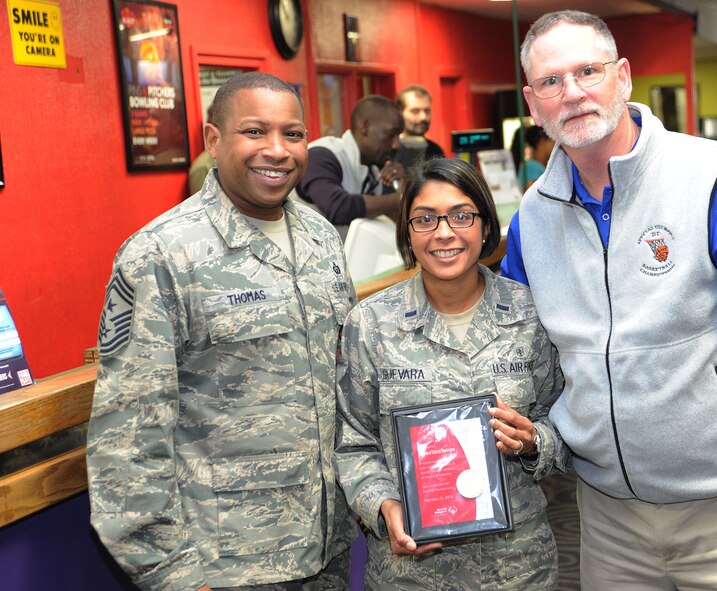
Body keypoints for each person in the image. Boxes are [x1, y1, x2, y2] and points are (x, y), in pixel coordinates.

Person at [502, 10, 717, 589]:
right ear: (532, 103)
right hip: (607, 520)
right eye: (551, 82)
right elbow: (514, 349)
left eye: (588, 71)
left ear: (623, 77)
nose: (572, 93)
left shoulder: (715, 181)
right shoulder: (532, 217)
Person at [87, 72, 358, 591]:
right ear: (214, 141)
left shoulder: (321, 236)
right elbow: (128, 435)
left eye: (293, 134)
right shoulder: (161, 254)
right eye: (254, 132)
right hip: (226, 564)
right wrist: (172, 574)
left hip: (327, 549)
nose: (277, 151)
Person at [335, 157, 566, 590]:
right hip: (411, 575)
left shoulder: (531, 313)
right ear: (407, 231)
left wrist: (535, 441)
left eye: (461, 216)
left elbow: (569, 422)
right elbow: (352, 444)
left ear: (484, 226)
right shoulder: (370, 324)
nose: (444, 233)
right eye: (425, 219)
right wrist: (383, 507)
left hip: (517, 568)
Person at [296, 95, 405, 238]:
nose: (396, 145)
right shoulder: (321, 156)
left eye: (398, 136)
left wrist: (401, 186)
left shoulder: (372, 168)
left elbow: (392, 224)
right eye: (391, 134)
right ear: (365, 127)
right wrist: (402, 198)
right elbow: (339, 208)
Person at [393, 85, 446, 167]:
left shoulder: (435, 150)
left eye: (427, 111)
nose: (423, 117)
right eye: (415, 111)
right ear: (400, 113)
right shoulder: (389, 150)